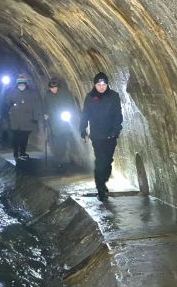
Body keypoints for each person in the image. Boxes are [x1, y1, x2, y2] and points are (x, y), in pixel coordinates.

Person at [79, 71, 123, 200]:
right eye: (99, 84)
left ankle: (103, 180)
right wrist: (82, 130)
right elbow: (85, 115)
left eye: (104, 84)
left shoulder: (114, 96)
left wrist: (115, 131)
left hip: (110, 135)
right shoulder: (90, 97)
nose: (101, 87)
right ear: (95, 85)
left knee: (108, 161)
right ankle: (100, 188)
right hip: (97, 135)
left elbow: (118, 115)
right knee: (100, 161)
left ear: (107, 84)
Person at [43, 78, 78, 170]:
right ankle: (60, 160)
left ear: (58, 87)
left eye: (55, 88)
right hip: (54, 122)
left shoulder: (65, 94)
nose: (53, 90)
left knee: (66, 139)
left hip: (64, 121)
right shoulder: (48, 95)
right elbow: (46, 106)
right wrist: (46, 114)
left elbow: (71, 105)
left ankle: (66, 158)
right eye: (51, 88)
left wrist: (71, 114)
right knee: (58, 141)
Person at [4, 74, 41, 159]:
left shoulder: (31, 93)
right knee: (16, 137)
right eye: (20, 84)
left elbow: (36, 105)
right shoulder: (12, 92)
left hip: (27, 120)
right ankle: (15, 152)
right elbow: (7, 102)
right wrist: (11, 104)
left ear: (25, 84)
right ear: (17, 84)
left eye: (23, 84)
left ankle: (23, 152)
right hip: (15, 120)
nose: (21, 86)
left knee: (24, 137)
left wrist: (36, 117)